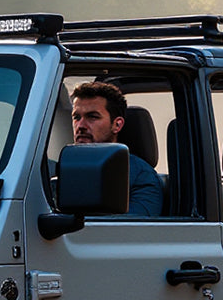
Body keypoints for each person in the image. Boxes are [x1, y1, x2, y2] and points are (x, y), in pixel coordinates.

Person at [69, 80, 163, 217]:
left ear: (117, 125)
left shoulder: (141, 176)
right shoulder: (58, 168)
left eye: (92, 117)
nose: (81, 125)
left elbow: (130, 231)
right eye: (76, 117)